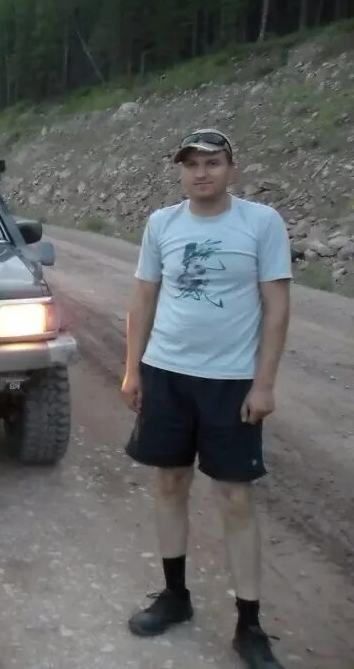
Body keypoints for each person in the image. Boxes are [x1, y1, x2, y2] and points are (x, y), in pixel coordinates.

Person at [120, 128, 291, 668]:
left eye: (212, 162)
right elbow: (143, 299)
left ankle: (250, 624)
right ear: (179, 170)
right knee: (169, 482)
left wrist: (264, 383)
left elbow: (277, 307)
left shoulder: (261, 224)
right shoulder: (162, 224)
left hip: (231, 382)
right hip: (166, 374)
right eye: (191, 164)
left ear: (231, 168)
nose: (201, 173)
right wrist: (132, 371)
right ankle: (175, 596)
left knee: (236, 499)